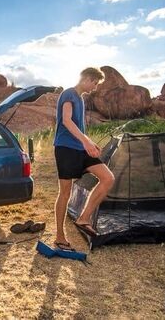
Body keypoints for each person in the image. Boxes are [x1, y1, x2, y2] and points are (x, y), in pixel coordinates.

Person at [53, 67, 115, 251]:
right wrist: (86, 141)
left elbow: (77, 126)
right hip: (65, 149)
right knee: (65, 193)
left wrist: (90, 143)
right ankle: (59, 236)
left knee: (107, 178)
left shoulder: (80, 98)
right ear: (87, 78)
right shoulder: (69, 94)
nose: (95, 87)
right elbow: (66, 120)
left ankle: (83, 218)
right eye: (94, 83)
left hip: (81, 149)